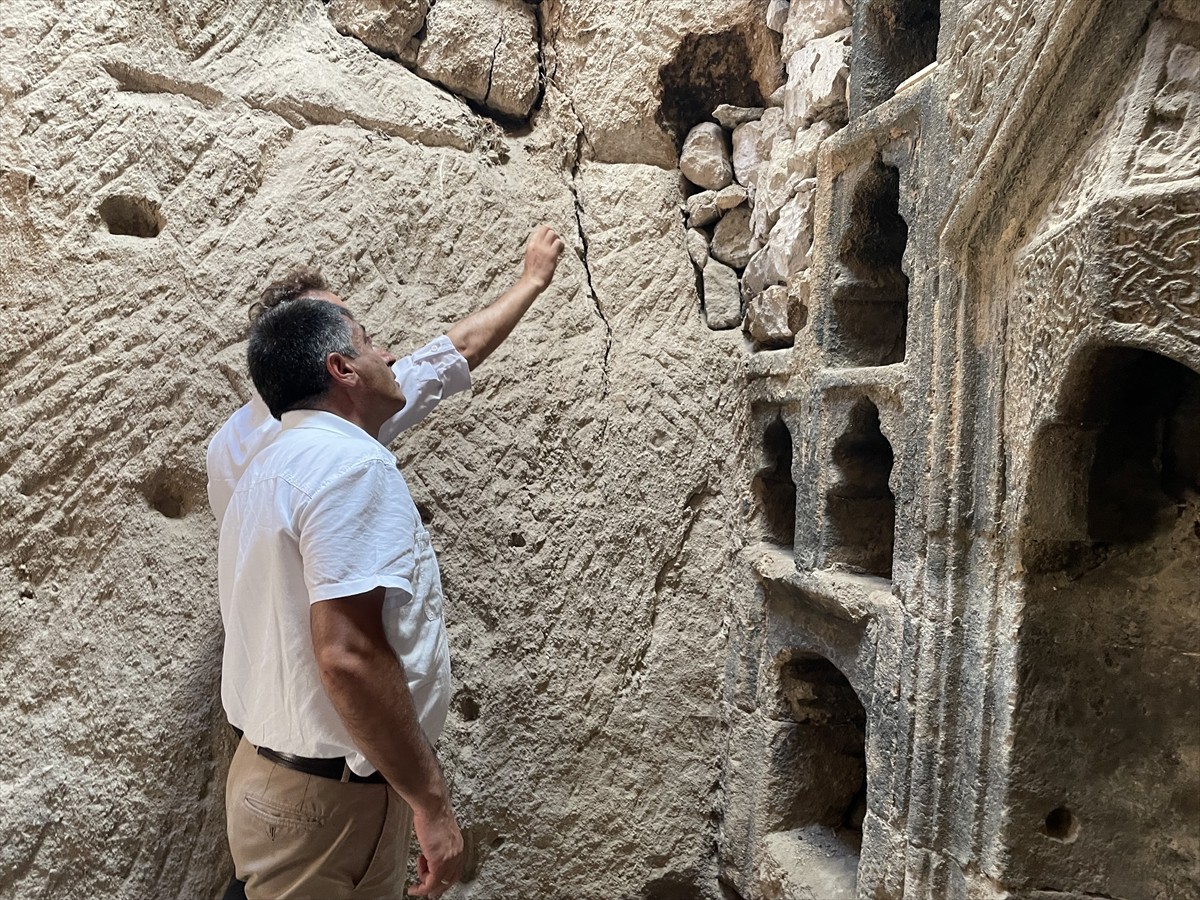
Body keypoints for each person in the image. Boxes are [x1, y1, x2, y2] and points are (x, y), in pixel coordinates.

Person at [209, 227, 564, 899]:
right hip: (327, 793)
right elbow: (346, 654)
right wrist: (432, 803)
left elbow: (447, 358)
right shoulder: (347, 462)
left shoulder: (257, 463)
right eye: (368, 340)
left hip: (281, 772)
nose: (389, 353)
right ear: (337, 368)